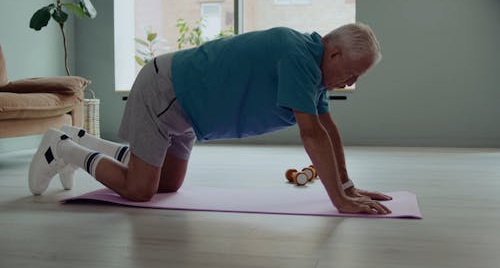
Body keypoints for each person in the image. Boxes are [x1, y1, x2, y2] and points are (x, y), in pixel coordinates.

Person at [29, 23, 392, 215]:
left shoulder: (314, 70)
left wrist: (347, 186)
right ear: (335, 52)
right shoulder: (299, 56)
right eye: (353, 72)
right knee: (141, 191)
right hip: (166, 89)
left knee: (167, 186)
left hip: (187, 111)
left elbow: (327, 127)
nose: (351, 82)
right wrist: (339, 202)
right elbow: (311, 135)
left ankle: (83, 140)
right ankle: (62, 148)